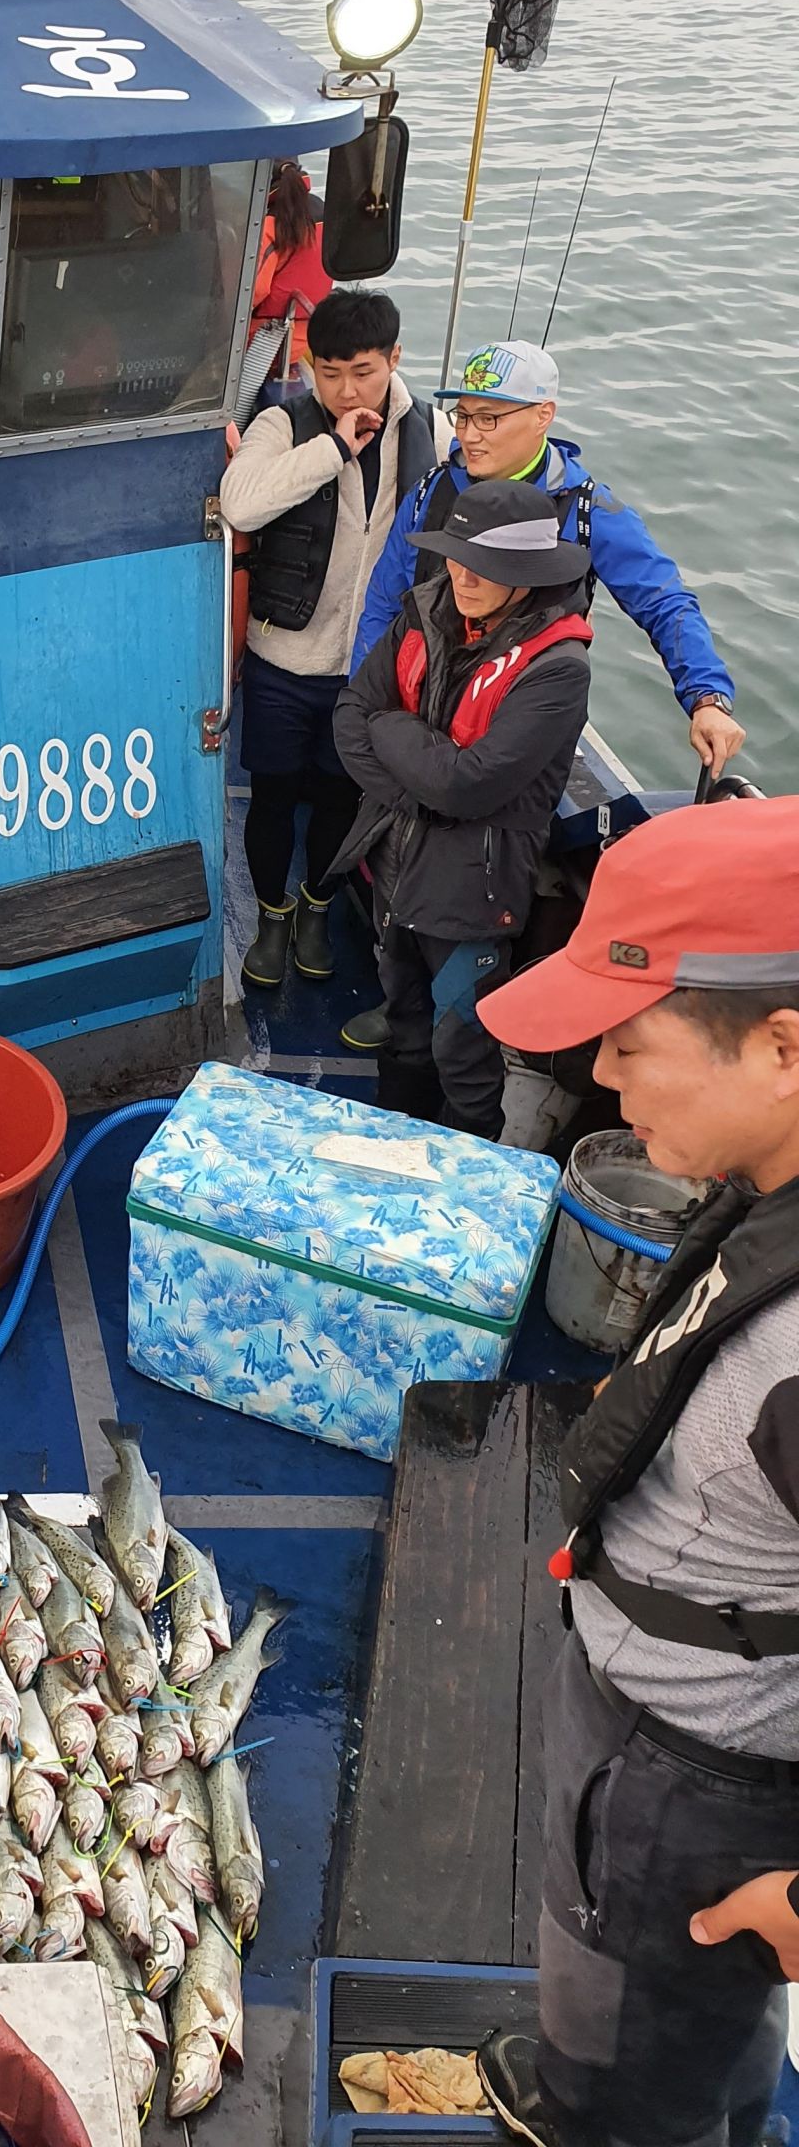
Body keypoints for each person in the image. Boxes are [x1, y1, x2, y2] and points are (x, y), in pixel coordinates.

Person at [470, 795, 799, 2147]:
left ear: (782, 1047)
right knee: (690, 2040)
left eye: (632, 1041)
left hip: (697, 1795)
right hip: (664, 1737)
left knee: (635, 2092)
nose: (603, 1077)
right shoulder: (769, 1171)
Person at [329, 480, 593, 1138]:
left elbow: (466, 787)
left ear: (527, 575)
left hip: (471, 891)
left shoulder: (559, 669)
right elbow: (350, 715)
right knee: (403, 1021)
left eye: (484, 565)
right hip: (395, 863)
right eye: (455, 556)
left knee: (462, 1047)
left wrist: (393, 729)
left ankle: (467, 1164)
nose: (462, 576)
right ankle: (396, 1141)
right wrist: (418, 787)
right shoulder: (425, 610)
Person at [353, 338, 747, 779]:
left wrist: (707, 698)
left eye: (488, 418)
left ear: (544, 415)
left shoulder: (589, 511)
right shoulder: (431, 492)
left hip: (518, 733)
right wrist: (367, 707)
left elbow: (664, 601)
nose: (469, 434)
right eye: (462, 415)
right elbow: (384, 602)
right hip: (418, 718)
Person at [221, 286, 450, 987]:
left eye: (363, 372)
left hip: (371, 669)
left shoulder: (433, 432)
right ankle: (272, 917)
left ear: (394, 359)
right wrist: (332, 448)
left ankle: (317, 910)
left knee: (340, 799)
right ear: (310, 366)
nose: (347, 390)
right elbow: (239, 503)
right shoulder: (283, 424)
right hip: (283, 658)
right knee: (272, 796)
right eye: (329, 373)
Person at [238, 156, 333, 416]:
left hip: (263, 344)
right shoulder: (324, 212)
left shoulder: (269, 223)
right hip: (303, 338)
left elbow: (252, 292)